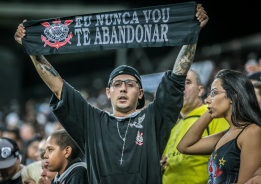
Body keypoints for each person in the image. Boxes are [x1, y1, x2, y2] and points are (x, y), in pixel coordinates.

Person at [14, 4, 208, 183]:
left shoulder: (153, 118)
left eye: (130, 84)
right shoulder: (92, 121)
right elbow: (57, 87)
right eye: (117, 84)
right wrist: (33, 49)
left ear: (140, 93)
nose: (123, 88)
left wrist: (193, 31)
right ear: (108, 92)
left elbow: (177, 76)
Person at [177, 69, 261, 184]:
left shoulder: (251, 132)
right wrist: (210, 110)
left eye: (214, 93)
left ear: (233, 96)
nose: (207, 100)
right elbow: (184, 147)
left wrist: (212, 106)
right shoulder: (225, 135)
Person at [160, 69, 229, 184]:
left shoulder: (213, 114)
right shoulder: (173, 126)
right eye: (177, 84)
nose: (181, 87)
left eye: (187, 82)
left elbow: (227, 155)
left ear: (200, 90)